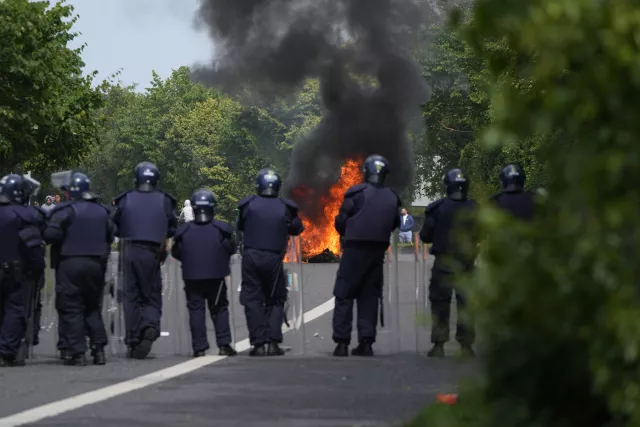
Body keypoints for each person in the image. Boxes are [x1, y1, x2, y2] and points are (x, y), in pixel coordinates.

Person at [331, 155, 401, 357]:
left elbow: (341, 221)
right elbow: (394, 223)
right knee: (369, 296)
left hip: (354, 251)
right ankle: (366, 342)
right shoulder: (392, 197)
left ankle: (342, 343)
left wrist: (349, 232)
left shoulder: (356, 194)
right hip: (377, 253)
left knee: (344, 294)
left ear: (367, 172)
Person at [44, 172, 115, 366]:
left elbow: (51, 235)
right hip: (96, 265)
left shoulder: (66, 210)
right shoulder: (101, 211)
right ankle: (98, 349)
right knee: (92, 308)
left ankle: (77, 351)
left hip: (70, 264)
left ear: (70, 192)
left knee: (71, 308)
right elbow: (111, 235)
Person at [112, 161, 177, 359]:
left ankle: (133, 338)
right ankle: (149, 325)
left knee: (131, 296)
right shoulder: (164, 200)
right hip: (152, 252)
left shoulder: (125, 199)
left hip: (129, 250)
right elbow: (172, 227)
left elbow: (114, 224)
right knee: (150, 295)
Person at [237, 168, 304, 356]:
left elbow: (240, 226)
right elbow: (298, 228)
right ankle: (273, 342)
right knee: (275, 299)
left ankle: (258, 344)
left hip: (251, 258)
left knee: (252, 299)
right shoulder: (286, 207)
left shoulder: (248, 205)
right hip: (274, 258)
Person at [420, 168, 479, 358]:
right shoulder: (475, 208)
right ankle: (466, 346)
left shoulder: (437, 208)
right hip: (467, 263)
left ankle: (438, 345)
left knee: (440, 303)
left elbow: (425, 236)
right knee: (466, 304)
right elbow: (481, 233)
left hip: (444, 263)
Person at [171, 189, 237, 357]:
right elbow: (231, 248)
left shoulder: (184, 231)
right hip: (216, 276)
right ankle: (224, 344)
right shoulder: (221, 229)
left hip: (192, 277)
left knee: (196, 310)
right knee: (219, 309)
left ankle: (199, 347)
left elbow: (176, 252)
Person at [0, 174, 45, 367]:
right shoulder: (23, 215)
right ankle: (6, 351)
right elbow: (33, 246)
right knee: (15, 309)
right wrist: (38, 269)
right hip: (13, 271)